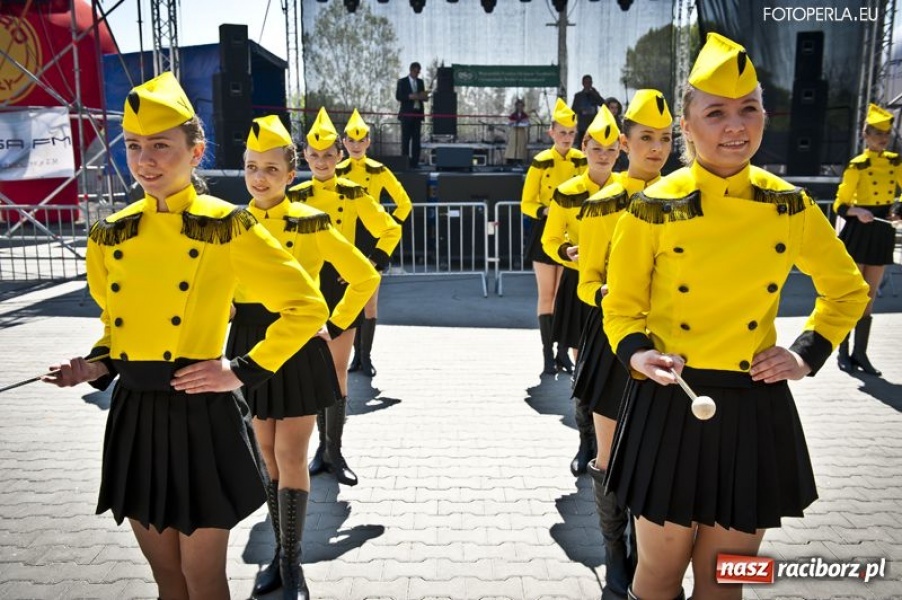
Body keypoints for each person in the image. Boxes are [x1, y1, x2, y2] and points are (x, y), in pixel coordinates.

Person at [43, 72, 330, 600]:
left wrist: (240, 370)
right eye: (133, 146)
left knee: (203, 578)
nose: (145, 160)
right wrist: (92, 366)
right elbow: (114, 325)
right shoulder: (112, 232)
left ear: (196, 153)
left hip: (199, 412)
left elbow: (307, 306)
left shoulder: (226, 225)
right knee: (166, 577)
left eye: (161, 146)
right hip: (135, 414)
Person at [602, 34, 869, 599]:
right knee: (657, 574)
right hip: (672, 399)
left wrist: (805, 353)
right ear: (688, 126)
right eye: (716, 112)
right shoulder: (652, 206)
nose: (734, 126)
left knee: (726, 579)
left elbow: (846, 290)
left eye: (749, 110)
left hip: (753, 404)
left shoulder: (788, 204)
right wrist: (638, 354)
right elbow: (620, 307)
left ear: (765, 119)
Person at [231, 115, 380, 598]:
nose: (259, 178)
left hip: (297, 344)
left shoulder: (310, 221)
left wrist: (333, 326)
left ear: (290, 174)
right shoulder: (230, 224)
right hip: (248, 345)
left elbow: (365, 277)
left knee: (290, 455)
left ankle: (291, 561)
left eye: (271, 169)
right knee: (266, 459)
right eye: (252, 168)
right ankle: (278, 550)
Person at [573, 88, 673, 598]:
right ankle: (615, 555)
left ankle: (650, 553)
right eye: (645, 138)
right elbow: (585, 279)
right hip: (616, 342)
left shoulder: (686, 199)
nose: (656, 148)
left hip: (671, 344)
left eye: (665, 138)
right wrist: (606, 290)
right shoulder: (603, 203)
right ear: (625, 143)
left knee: (657, 455)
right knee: (609, 457)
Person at [288, 108, 402, 486]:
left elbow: (389, 229)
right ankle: (306, 454)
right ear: (304, 155)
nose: (321, 161)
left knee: (336, 372)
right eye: (314, 154)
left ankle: (332, 452)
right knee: (305, 372)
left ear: (339, 156)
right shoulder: (294, 195)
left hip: (340, 290)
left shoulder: (354, 193)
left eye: (328, 154)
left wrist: (368, 263)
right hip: (302, 292)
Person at [540, 105, 620, 476]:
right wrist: (565, 251)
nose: (603, 156)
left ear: (620, 150)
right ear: (584, 148)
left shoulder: (631, 189)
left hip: (625, 286)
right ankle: (586, 441)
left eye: (611, 150)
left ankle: (617, 444)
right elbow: (550, 237)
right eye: (596, 149)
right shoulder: (567, 191)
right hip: (580, 285)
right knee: (584, 365)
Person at [338, 108, 412, 377]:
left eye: (361, 140)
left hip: (371, 239)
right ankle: (349, 355)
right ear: (344, 142)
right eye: (351, 140)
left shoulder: (379, 171)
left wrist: (388, 230)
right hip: (343, 238)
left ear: (369, 142)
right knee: (345, 299)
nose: (356, 146)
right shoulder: (335, 171)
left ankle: (364, 357)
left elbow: (404, 203)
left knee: (369, 301)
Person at [832, 103, 902, 376]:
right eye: (876, 133)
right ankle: (843, 352)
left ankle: (861, 354)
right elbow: (840, 204)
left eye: (885, 133)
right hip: (860, 230)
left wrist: (898, 209)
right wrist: (857, 211)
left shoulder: (895, 162)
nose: (882, 138)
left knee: (870, 296)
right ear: (865, 135)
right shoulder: (857, 165)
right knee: (854, 294)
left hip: (883, 229)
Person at [521, 98, 587, 375]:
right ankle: (548, 355)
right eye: (562, 132)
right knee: (547, 295)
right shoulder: (541, 161)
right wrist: (546, 209)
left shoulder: (582, 160)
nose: (567, 138)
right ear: (551, 133)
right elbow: (526, 202)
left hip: (575, 233)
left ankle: (563, 352)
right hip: (546, 231)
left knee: (566, 296)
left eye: (571, 133)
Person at [396, 61, 428, 168]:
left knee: (416, 140)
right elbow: (399, 96)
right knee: (405, 140)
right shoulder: (402, 81)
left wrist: (422, 96)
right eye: (415, 72)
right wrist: (410, 96)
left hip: (417, 114)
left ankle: (415, 163)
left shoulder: (420, 82)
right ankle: (405, 163)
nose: (417, 74)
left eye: (418, 72)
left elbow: (423, 96)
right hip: (406, 115)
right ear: (411, 70)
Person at [572, 75, 605, 146]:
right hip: (582, 125)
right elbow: (573, 109)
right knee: (582, 146)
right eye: (586, 82)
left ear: (592, 83)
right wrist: (582, 110)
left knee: (594, 145)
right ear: (583, 83)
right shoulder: (578, 96)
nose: (588, 84)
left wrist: (596, 94)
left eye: (590, 82)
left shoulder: (594, 94)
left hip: (593, 125)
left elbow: (603, 104)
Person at [504, 98, 531, 165]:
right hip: (514, 131)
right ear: (516, 106)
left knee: (520, 145)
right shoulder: (513, 115)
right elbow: (510, 122)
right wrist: (513, 123)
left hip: (521, 132)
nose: (520, 107)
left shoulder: (524, 115)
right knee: (512, 145)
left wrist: (523, 123)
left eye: (521, 106)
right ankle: (510, 159)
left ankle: (519, 159)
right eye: (518, 106)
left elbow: (527, 123)